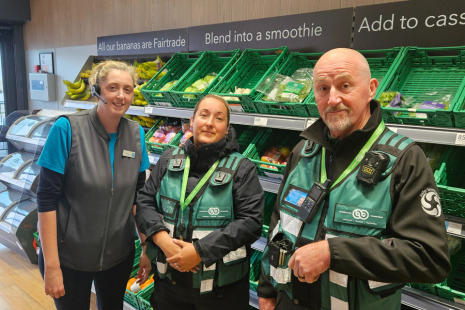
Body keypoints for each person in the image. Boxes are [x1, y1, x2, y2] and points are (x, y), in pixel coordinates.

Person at [257, 48, 450, 310]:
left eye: (344, 85)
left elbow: (429, 258)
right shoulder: (303, 150)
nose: (332, 99)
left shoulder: (405, 159)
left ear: (371, 89)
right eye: (322, 88)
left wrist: (332, 253)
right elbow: (280, 221)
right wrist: (267, 289)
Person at [36, 60, 150, 310]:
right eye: (113, 88)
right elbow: (46, 201)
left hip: (118, 257)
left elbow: (138, 199)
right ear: (97, 90)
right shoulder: (67, 129)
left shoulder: (136, 134)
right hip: (69, 258)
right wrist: (52, 265)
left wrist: (146, 246)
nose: (121, 96)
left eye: (128, 89)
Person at [134, 94, 264, 310]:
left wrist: (200, 252)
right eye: (204, 115)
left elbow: (251, 223)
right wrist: (162, 240)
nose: (210, 123)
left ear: (227, 127)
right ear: (192, 122)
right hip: (169, 287)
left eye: (219, 118)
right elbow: (145, 200)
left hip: (222, 293)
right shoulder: (168, 159)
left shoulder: (242, 168)